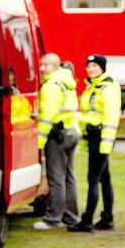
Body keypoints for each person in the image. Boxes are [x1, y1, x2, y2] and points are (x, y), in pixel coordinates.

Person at [69, 54, 121, 232]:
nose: (91, 69)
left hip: (101, 137)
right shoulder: (93, 87)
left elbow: (111, 116)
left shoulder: (107, 88)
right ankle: (107, 218)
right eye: (89, 66)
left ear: (102, 68)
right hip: (93, 136)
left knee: (93, 179)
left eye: (95, 66)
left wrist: (106, 144)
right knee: (104, 178)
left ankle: (87, 220)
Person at [32, 53, 80, 230]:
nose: (42, 69)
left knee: (56, 178)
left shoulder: (51, 85)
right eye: (41, 65)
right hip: (70, 132)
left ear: (55, 66)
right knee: (69, 177)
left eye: (46, 65)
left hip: (57, 135)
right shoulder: (66, 81)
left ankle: (53, 219)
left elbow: (48, 115)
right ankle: (71, 217)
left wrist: (40, 139)